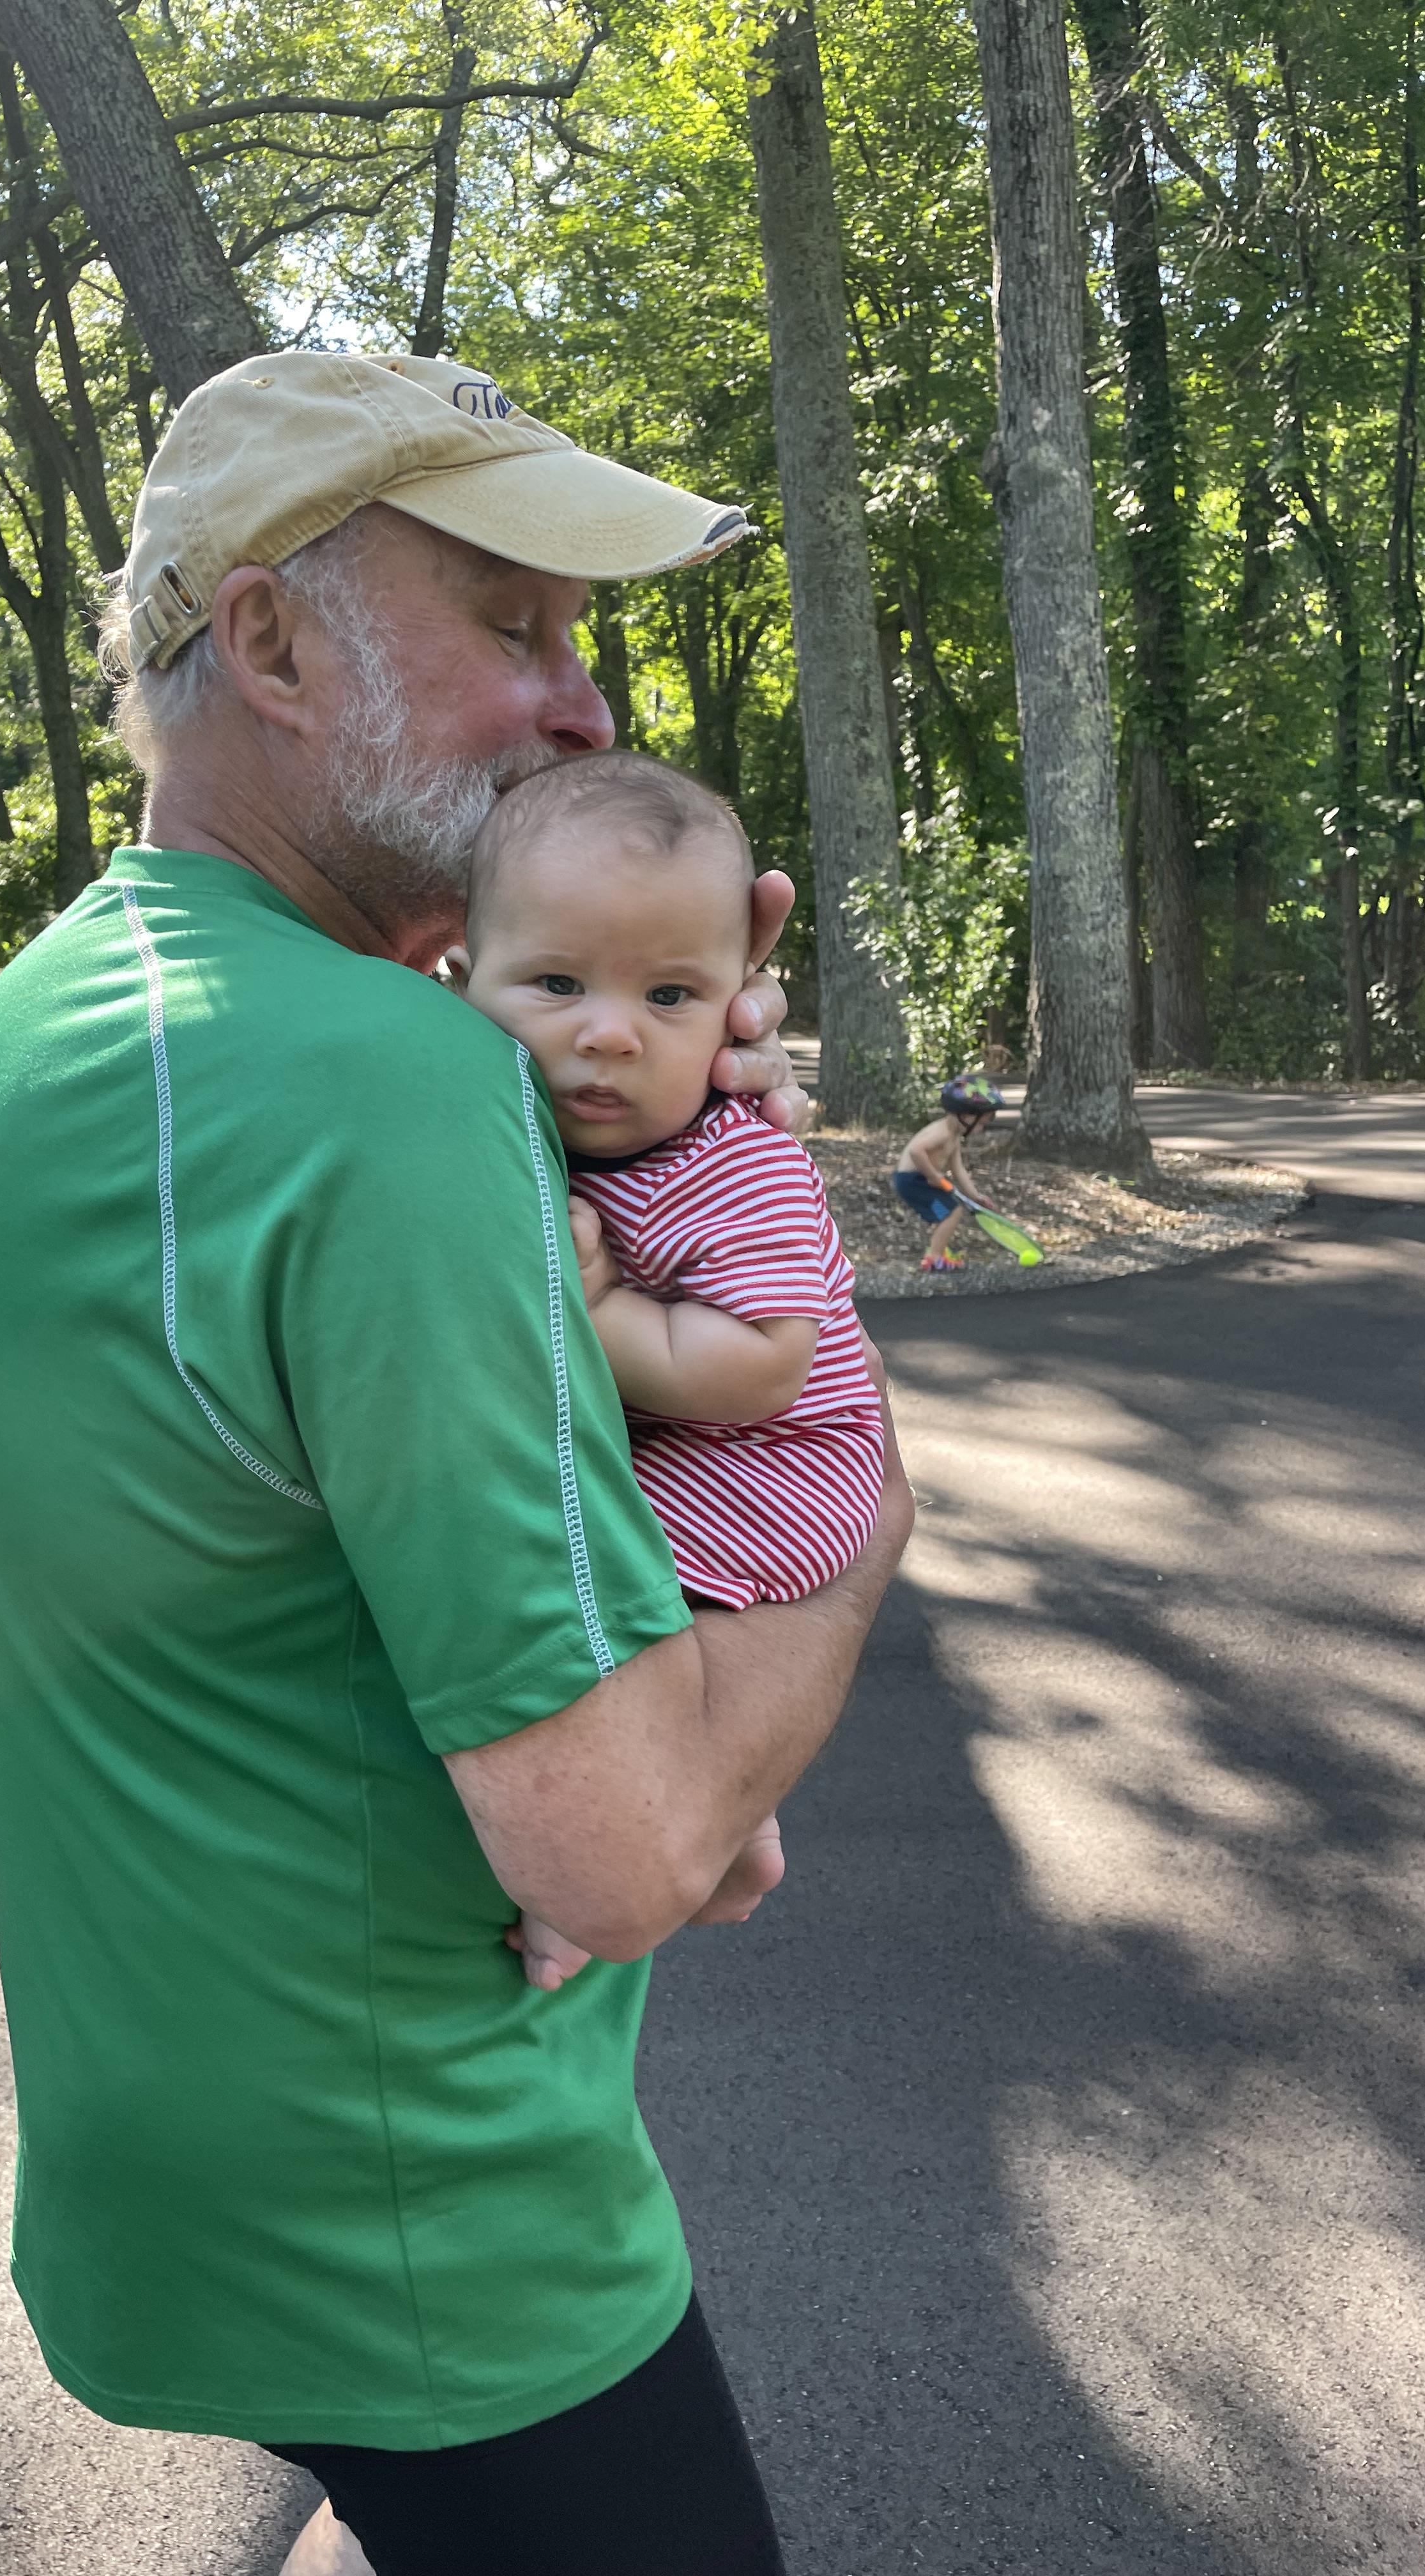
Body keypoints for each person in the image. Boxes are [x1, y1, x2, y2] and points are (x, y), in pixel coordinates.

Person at [0, 349, 913, 2576]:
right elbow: (632, 1848)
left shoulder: (66, 1009)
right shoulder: (379, 1084)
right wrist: (857, 1477)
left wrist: (641, 1079)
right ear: (265, 642)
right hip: (435, 2226)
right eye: (515, 624)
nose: (580, 701)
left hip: (181, 2158)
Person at [446, 751, 887, 1995]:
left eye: (673, 998)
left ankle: (603, 1881)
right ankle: (732, 1816)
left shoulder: (728, 1170)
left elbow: (764, 1366)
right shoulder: (543, 1123)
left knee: (615, 1616)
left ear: (740, 1009)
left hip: (774, 1460)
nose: (607, 1032)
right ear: (456, 978)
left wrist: (599, 1309)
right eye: (557, 980)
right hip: (700, 1441)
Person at [892, 1073, 1006, 1274]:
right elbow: (915, 1150)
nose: (981, 1129)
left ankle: (938, 1252)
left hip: (921, 1181)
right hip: (912, 1181)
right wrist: (933, 1176)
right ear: (966, 1115)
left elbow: (958, 1169)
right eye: (981, 1123)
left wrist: (975, 1196)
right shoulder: (942, 1133)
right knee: (951, 1213)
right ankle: (934, 1258)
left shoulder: (953, 1137)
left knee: (946, 1213)